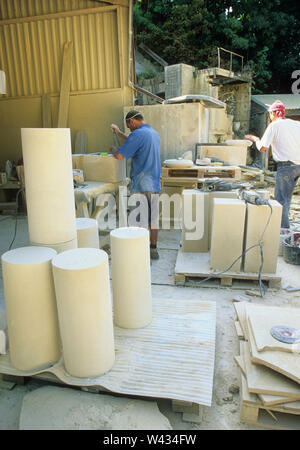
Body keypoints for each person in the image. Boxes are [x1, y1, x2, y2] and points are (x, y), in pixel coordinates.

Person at [110, 110, 161, 259]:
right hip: (154, 182)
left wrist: (113, 149)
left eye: (128, 127)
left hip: (142, 183)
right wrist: (119, 133)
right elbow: (133, 143)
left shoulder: (137, 134)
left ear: (132, 122)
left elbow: (120, 155)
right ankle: (153, 248)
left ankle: (140, 251)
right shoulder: (152, 133)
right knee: (153, 218)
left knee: (140, 219)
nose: (129, 130)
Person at [245, 100, 300, 231]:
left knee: (281, 201)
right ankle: (284, 227)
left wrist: (254, 139)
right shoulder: (297, 124)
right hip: (298, 165)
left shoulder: (274, 125)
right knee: (288, 198)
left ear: (274, 113)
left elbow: (262, 148)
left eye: (270, 114)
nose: (270, 117)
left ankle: (282, 231)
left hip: (286, 167)